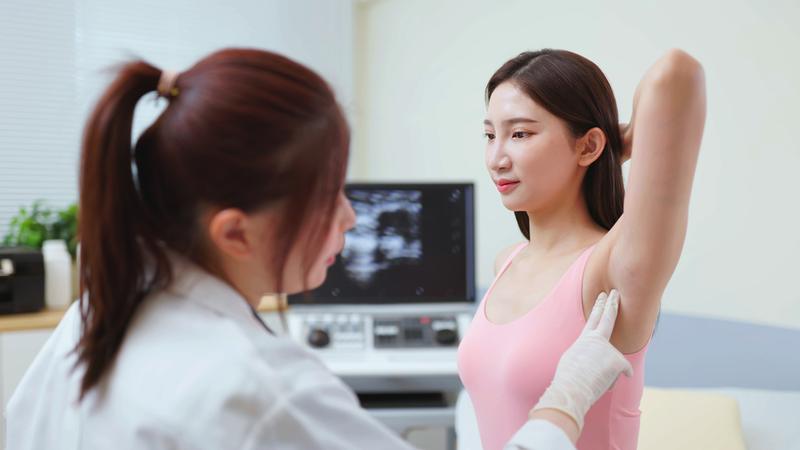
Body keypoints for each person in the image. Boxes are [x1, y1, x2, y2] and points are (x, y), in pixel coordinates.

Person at [7, 48, 632, 450]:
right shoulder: (259, 390)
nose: (352, 216)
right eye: (328, 194)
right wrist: (565, 399)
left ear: (588, 145)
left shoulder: (95, 318)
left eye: (521, 133)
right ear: (236, 233)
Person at [458, 48, 706, 450]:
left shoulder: (613, 267)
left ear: (587, 146)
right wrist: (602, 148)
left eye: (519, 134)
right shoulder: (508, 262)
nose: (496, 158)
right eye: (490, 135)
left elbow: (676, 74)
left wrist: (614, 144)